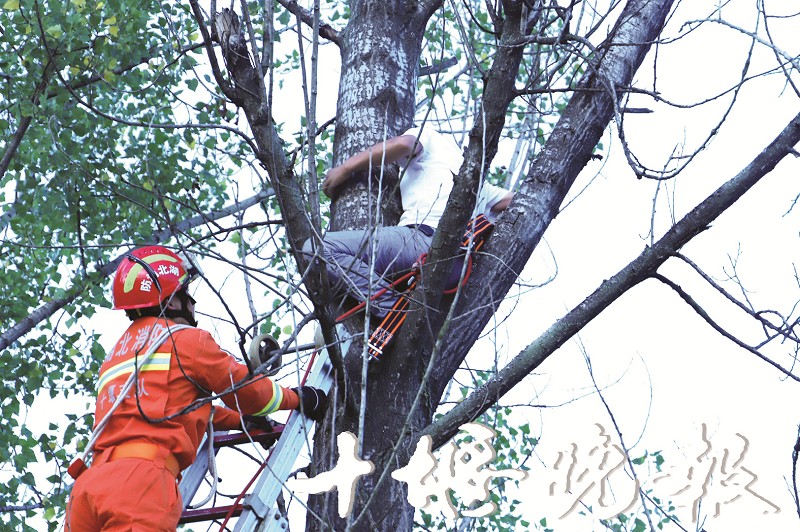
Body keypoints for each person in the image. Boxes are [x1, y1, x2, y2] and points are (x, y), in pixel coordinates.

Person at [64, 245, 327, 532]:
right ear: (172, 301)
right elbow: (248, 392)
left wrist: (241, 422)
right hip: (140, 483)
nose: (192, 302)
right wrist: (296, 398)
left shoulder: (116, 355)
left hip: (88, 488)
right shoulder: (187, 341)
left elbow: (183, 409)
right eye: (186, 292)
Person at [304, 126, 513, 318]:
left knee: (317, 248)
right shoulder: (478, 184)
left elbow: (404, 144)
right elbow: (514, 200)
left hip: (424, 240)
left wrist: (345, 168)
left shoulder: (431, 135)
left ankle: (388, 307)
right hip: (456, 266)